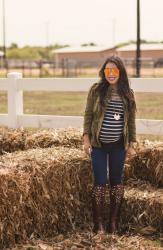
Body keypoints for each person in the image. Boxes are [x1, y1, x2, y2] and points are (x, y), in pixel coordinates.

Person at [83, 56, 137, 234]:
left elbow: (131, 123)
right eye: (108, 70)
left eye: (114, 70)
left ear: (120, 72)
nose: (111, 74)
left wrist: (131, 144)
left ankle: (113, 222)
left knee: (116, 182)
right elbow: (88, 115)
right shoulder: (96, 90)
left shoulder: (127, 93)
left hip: (118, 145)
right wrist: (86, 138)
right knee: (99, 182)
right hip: (99, 144)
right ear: (103, 72)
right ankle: (98, 223)